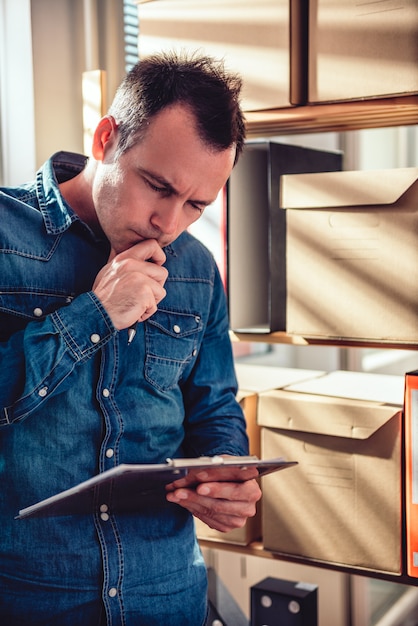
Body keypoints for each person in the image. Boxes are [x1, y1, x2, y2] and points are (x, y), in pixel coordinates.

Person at [0, 51, 261, 625]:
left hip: (167, 596)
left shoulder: (195, 269)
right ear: (105, 138)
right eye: (157, 185)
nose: (169, 223)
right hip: (28, 598)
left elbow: (214, 407)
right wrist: (94, 314)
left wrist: (231, 477)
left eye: (196, 204)